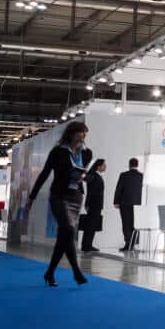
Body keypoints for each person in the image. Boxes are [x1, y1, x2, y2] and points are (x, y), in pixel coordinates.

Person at [25, 121, 90, 287]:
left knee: (64, 236)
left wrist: (85, 176)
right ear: (72, 133)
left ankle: (49, 273)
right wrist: (31, 197)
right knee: (68, 230)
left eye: (85, 134)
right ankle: (76, 271)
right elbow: (44, 174)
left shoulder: (87, 153)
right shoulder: (57, 152)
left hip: (76, 197)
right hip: (59, 196)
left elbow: (86, 177)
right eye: (80, 133)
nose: (83, 137)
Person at [114, 157, 143, 251]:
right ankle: (133, 244)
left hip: (124, 203)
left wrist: (116, 201)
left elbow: (119, 188)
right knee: (134, 224)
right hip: (137, 204)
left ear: (129, 165)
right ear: (137, 165)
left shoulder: (124, 175)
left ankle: (128, 244)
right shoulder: (141, 176)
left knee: (126, 224)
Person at [81, 158, 106, 252]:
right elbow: (90, 191)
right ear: (98, 166)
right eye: (104, 165)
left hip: (95, 204)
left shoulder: (96, 176)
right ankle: (87, 246)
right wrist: (87, 203)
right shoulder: (93, 175)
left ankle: (88, 245)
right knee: (90, 225)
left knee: (91, 225)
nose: (105, 167)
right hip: (94, 204)